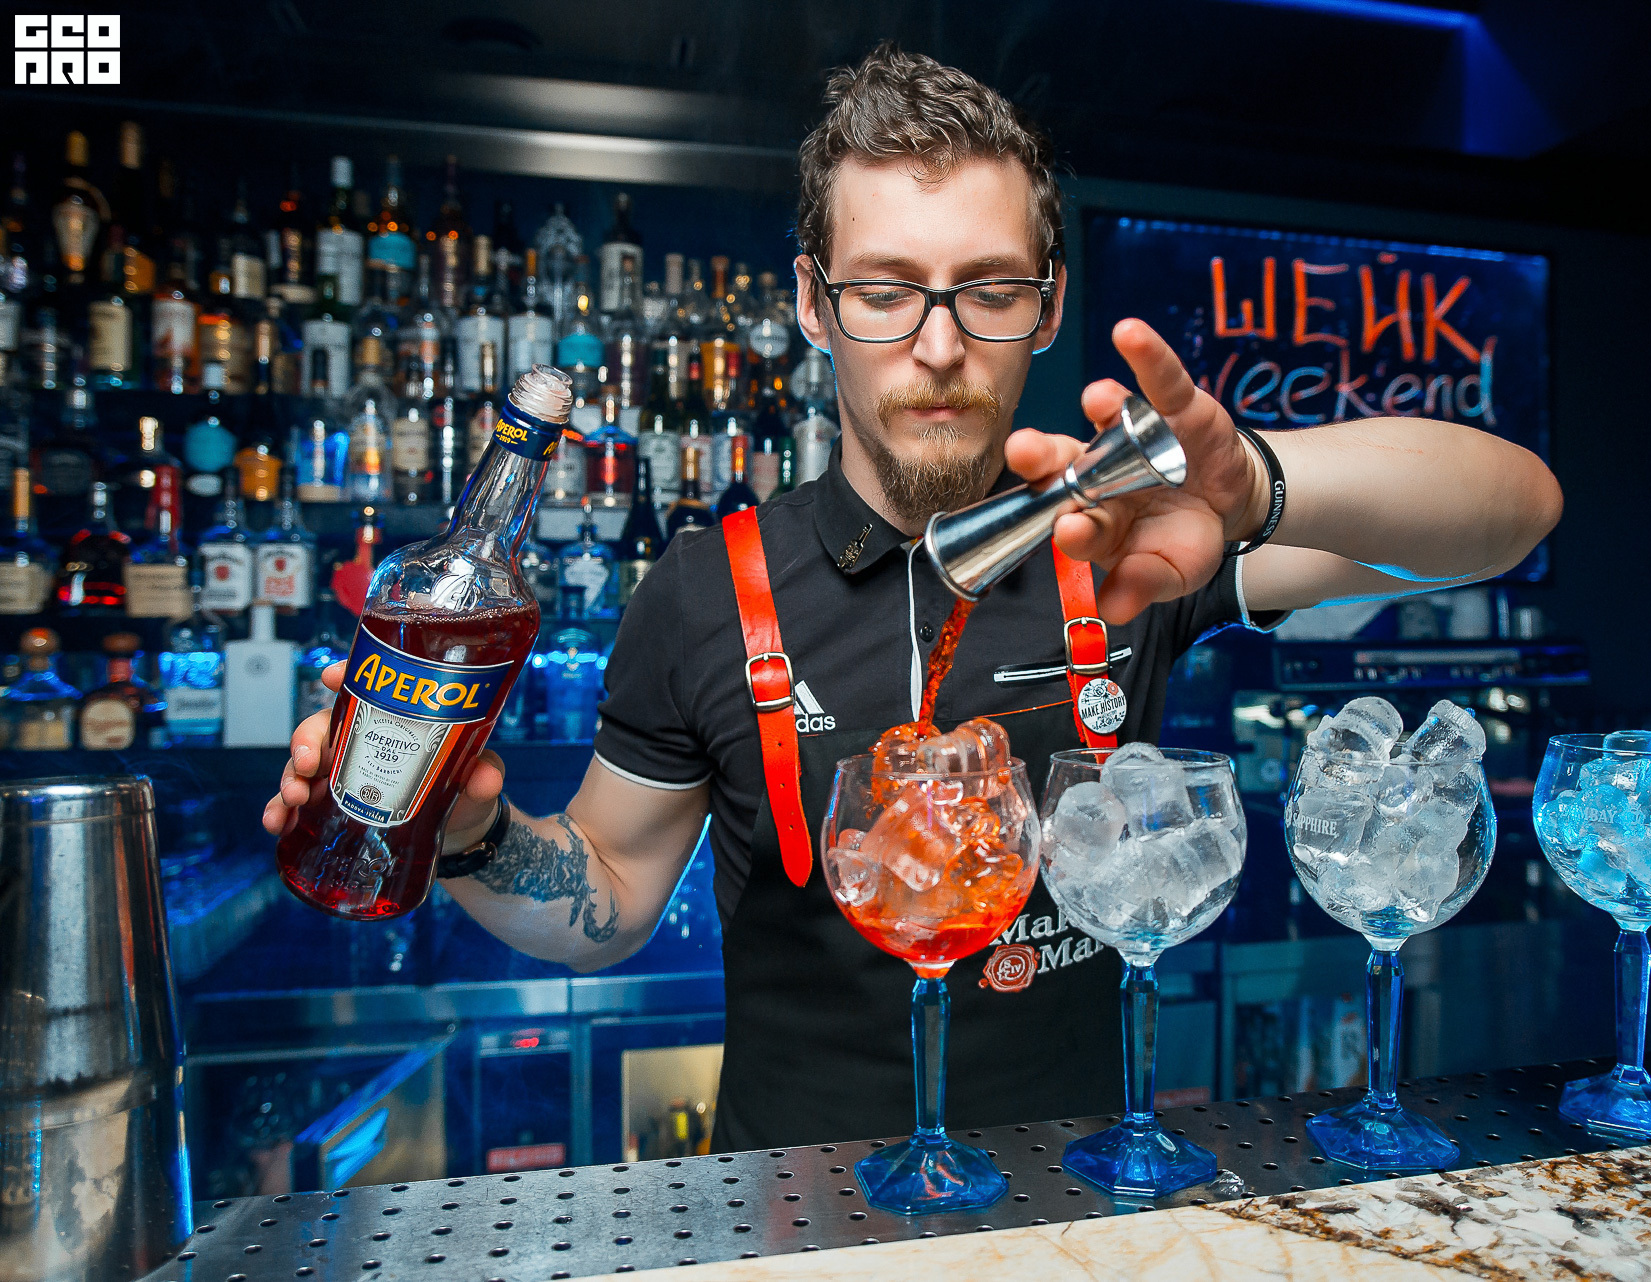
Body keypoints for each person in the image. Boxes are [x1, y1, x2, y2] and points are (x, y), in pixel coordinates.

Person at [263, 44, 1562, 1151]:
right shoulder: (704, 590)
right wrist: (474, 834)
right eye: (885, 293)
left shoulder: (1128, 545)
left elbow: (1514, 513)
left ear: (1047, 306)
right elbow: (607, 899)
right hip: (789, 1214)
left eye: (989, 291)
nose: (939, 346)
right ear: (813, 304)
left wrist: (1257, 487)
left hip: (1079, 1210)